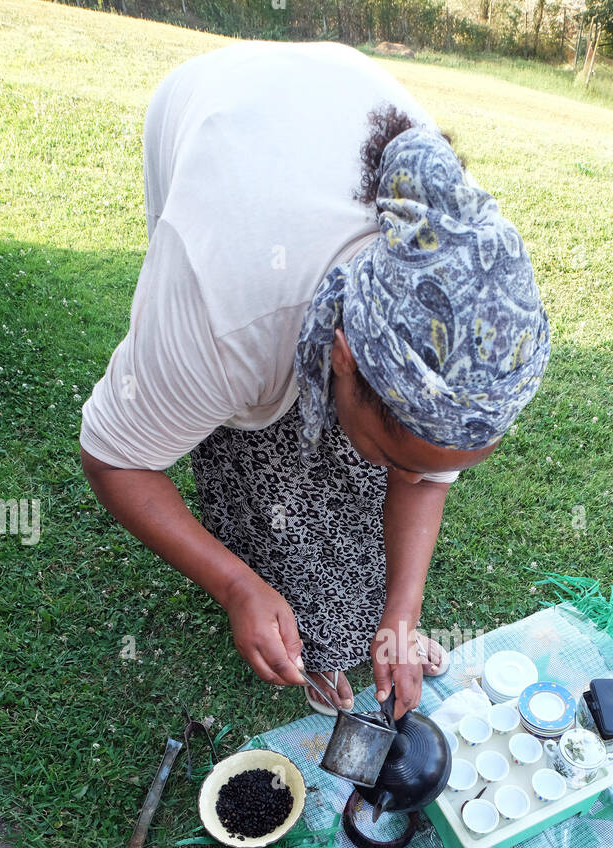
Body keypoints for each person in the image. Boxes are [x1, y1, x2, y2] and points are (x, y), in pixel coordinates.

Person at [81, 41, 550, 719]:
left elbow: (423, 473)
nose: (410, 475)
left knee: (362, 463)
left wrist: (402, 613)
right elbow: (114, 458)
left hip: (329, 98)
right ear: (346, 358)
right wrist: (236, 584)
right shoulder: (225, 312)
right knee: (258, 451)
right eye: (398, 458)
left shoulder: (460, 292)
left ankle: (351, 623)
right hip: (213, 115)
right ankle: (288, 610)